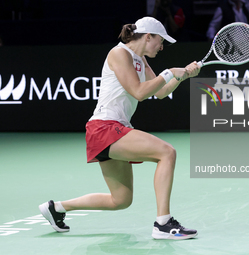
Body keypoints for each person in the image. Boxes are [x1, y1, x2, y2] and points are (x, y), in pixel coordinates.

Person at [39, 16, 200, 240]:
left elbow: (160, 92)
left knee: (121, 200)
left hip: (113, 129)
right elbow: (139, 92)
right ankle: (163, 223)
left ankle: (56, 208)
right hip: (104, 127)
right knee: (167, 152)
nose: (162, 46)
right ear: (148, 36)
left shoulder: (140, 59)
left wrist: (183, 76)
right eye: (160, 41)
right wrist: (170, 71)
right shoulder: (119, 53)